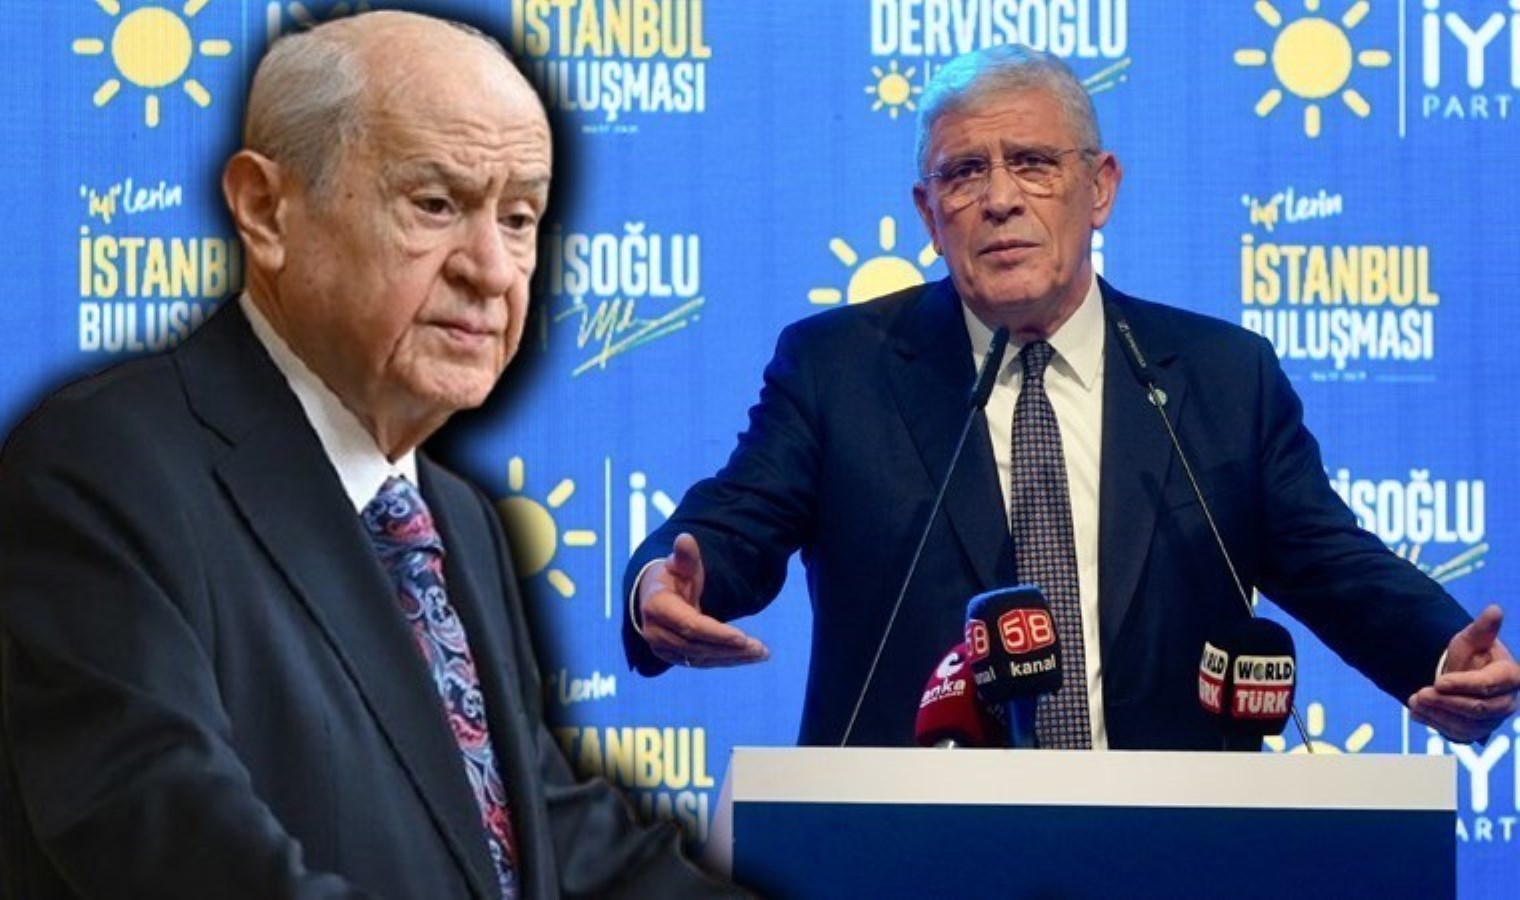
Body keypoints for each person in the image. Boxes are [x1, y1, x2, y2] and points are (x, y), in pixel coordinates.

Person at [0, 11, 741, 899]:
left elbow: (551, 843)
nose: (492, 269)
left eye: (518, 218)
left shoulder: (454, 519)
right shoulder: (104, 469)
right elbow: (180, 847)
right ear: (266, 210)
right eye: (435, 205)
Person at [622, 45, 1520, 750]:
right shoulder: (840, 368)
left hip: (1165, 849)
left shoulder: (1221, 376)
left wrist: (1444, 653)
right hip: (906, 843)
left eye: (1033, 163)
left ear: (1101, 188)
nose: (1000, 199)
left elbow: (1332, 562)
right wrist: (666, 580)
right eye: (963, 173)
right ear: (929, 214)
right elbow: (738, 518)